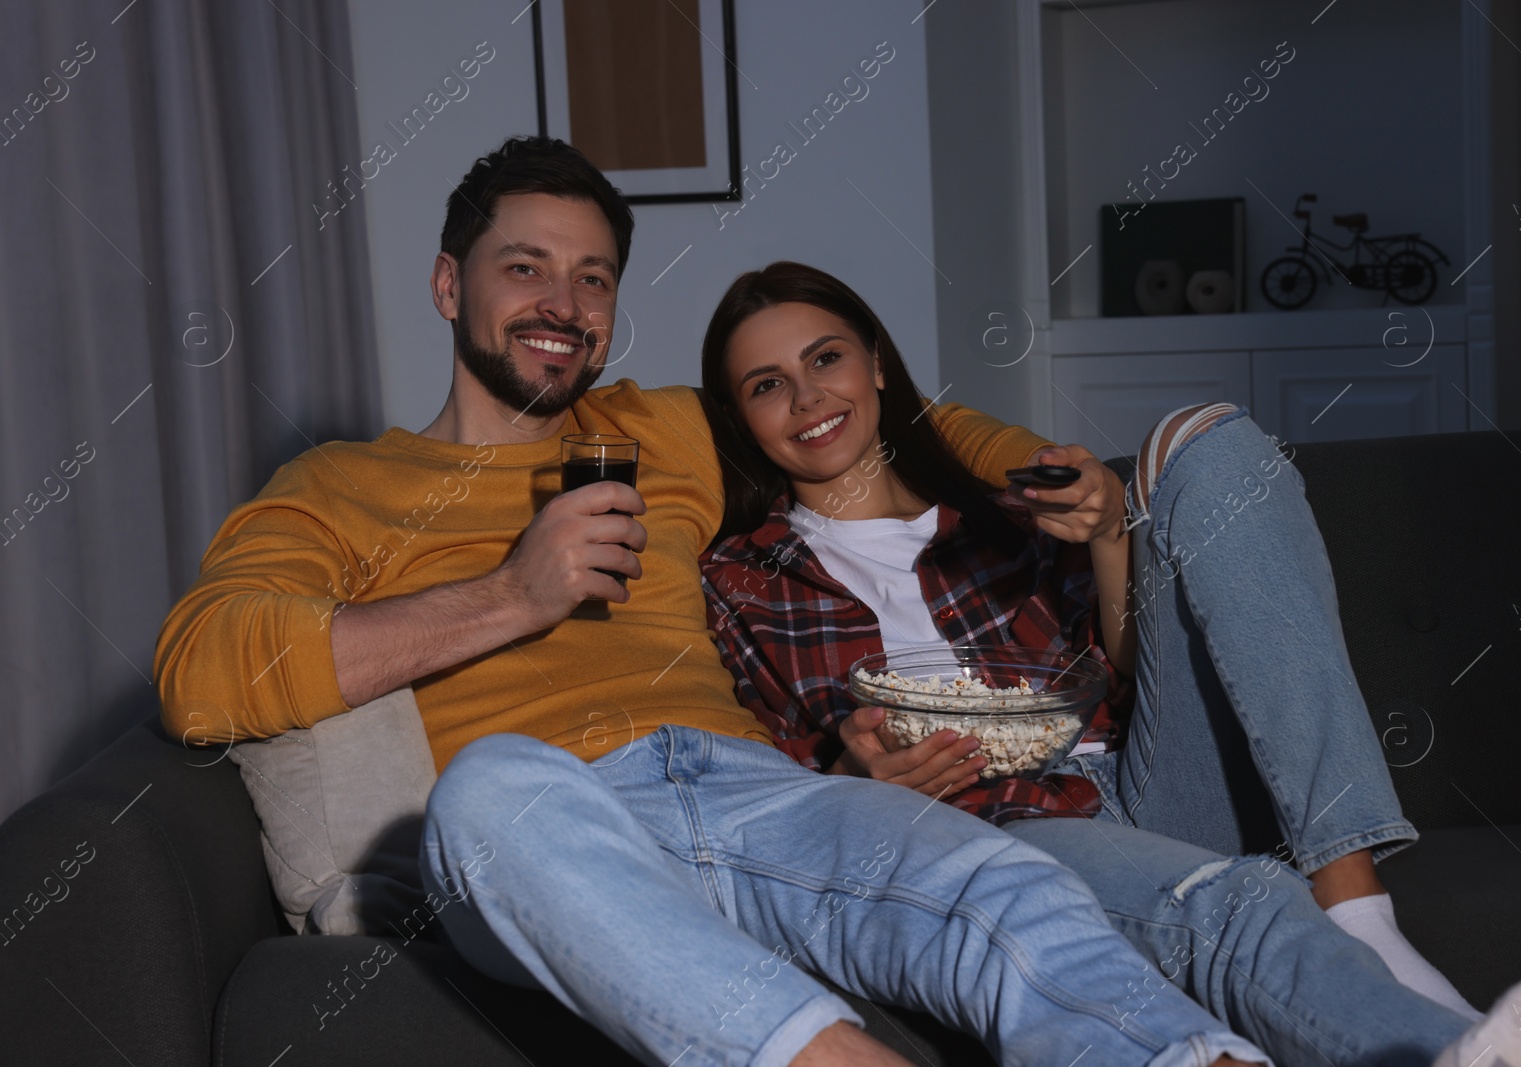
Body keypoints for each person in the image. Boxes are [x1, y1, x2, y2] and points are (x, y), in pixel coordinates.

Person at [157, 136, 1285, 1066]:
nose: (563, 303)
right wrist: (513, 592)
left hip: (754, 793)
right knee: (489, 792)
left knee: (1004, 881)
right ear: (450, 283)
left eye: (593, 277)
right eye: (525, 268)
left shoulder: (670, 428)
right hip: (558, 826)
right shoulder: (340, 483)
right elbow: (202, 668)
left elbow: (892, 418)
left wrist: (1039, 467)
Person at [697, 261, 1521, 1067]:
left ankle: (1358, 903)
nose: (809, 398)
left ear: (878, 367)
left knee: (1206, 438)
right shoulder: (744, 575)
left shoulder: (1002, 512)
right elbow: (764, 774)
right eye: (767, 384)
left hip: (1146, 779)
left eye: (826, 359)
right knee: (1240, 902)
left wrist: (1105, 542)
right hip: (1006, 830)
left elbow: (1127, 671)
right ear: (742, 417)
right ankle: (1452, 1042)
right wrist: (855, 774)